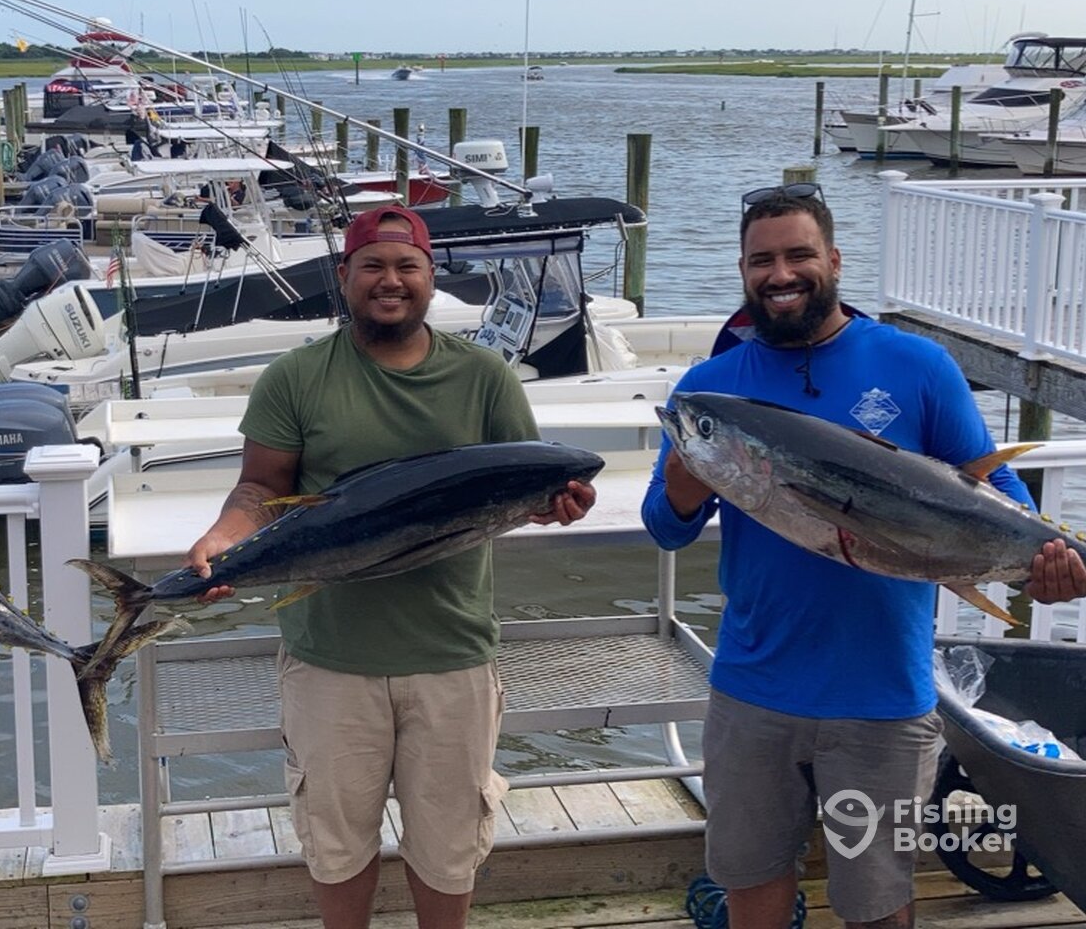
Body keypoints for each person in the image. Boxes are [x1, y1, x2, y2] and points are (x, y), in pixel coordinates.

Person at [640, 182, 1086, 929]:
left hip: (884, 698)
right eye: (761, 261)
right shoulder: (709, 390)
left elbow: (994, 488)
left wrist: (1047, 562)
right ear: (743, 271)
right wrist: (684, 484)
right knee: (752, 888)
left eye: (798, 255)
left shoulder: (918, 365)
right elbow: (666, 528)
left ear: (835, 260)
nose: (781, 274)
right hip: (754, 690)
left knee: (878, 902)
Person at [185, 206, 595, 929]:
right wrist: (224, 538)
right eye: (373, 265)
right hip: (329, 659)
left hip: (452, 654)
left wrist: (553, 505)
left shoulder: (485, 377)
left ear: (432, 278)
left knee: (449, 846)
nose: (391, 280)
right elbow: (260, 491)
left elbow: (517, 484)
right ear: (344, 275)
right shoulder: (295, 377)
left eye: (408, 266)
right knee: (337, 844)